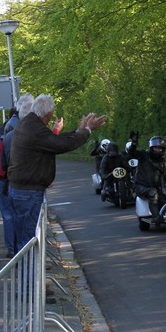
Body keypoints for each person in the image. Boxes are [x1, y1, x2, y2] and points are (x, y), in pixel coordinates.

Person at [7, 94, 108, 250]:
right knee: (28, 242)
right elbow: (61, 144)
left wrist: (80, 131)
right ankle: (30, 266)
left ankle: (29, 264)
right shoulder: (35, 129)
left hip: (22, 190)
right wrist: (86, 131)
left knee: (25, 238)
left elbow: (55, 140)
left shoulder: (29, 124)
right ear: (48, 115)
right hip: (28, 192)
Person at [0, 95, 33, 258]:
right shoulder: (17, 132)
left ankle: (14, 250)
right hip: (17, 182)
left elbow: (2, 160)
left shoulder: (5, 129)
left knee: (10, 216)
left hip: (5, 179)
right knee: (20, 219)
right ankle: (20, 253)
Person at [134, 135, 166, 228]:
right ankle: (156, 218)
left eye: (160, 148)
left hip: (156, 189)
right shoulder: (143, 156)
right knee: (153, 193)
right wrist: (134, 143)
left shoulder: (163, 162)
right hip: (141, 186)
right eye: (156, 148)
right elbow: (132, 153)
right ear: (151, 148)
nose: (158, 150)